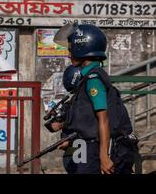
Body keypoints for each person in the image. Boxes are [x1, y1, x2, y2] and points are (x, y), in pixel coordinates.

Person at [53, 24, 138, 174]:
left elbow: (103, 118)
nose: (68, 54)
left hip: (93, 149)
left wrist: (104, 156)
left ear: (82, 48)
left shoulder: (93, 78)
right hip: (85, 146)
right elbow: (85, 118)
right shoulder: (86, 78)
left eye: (71, 49)